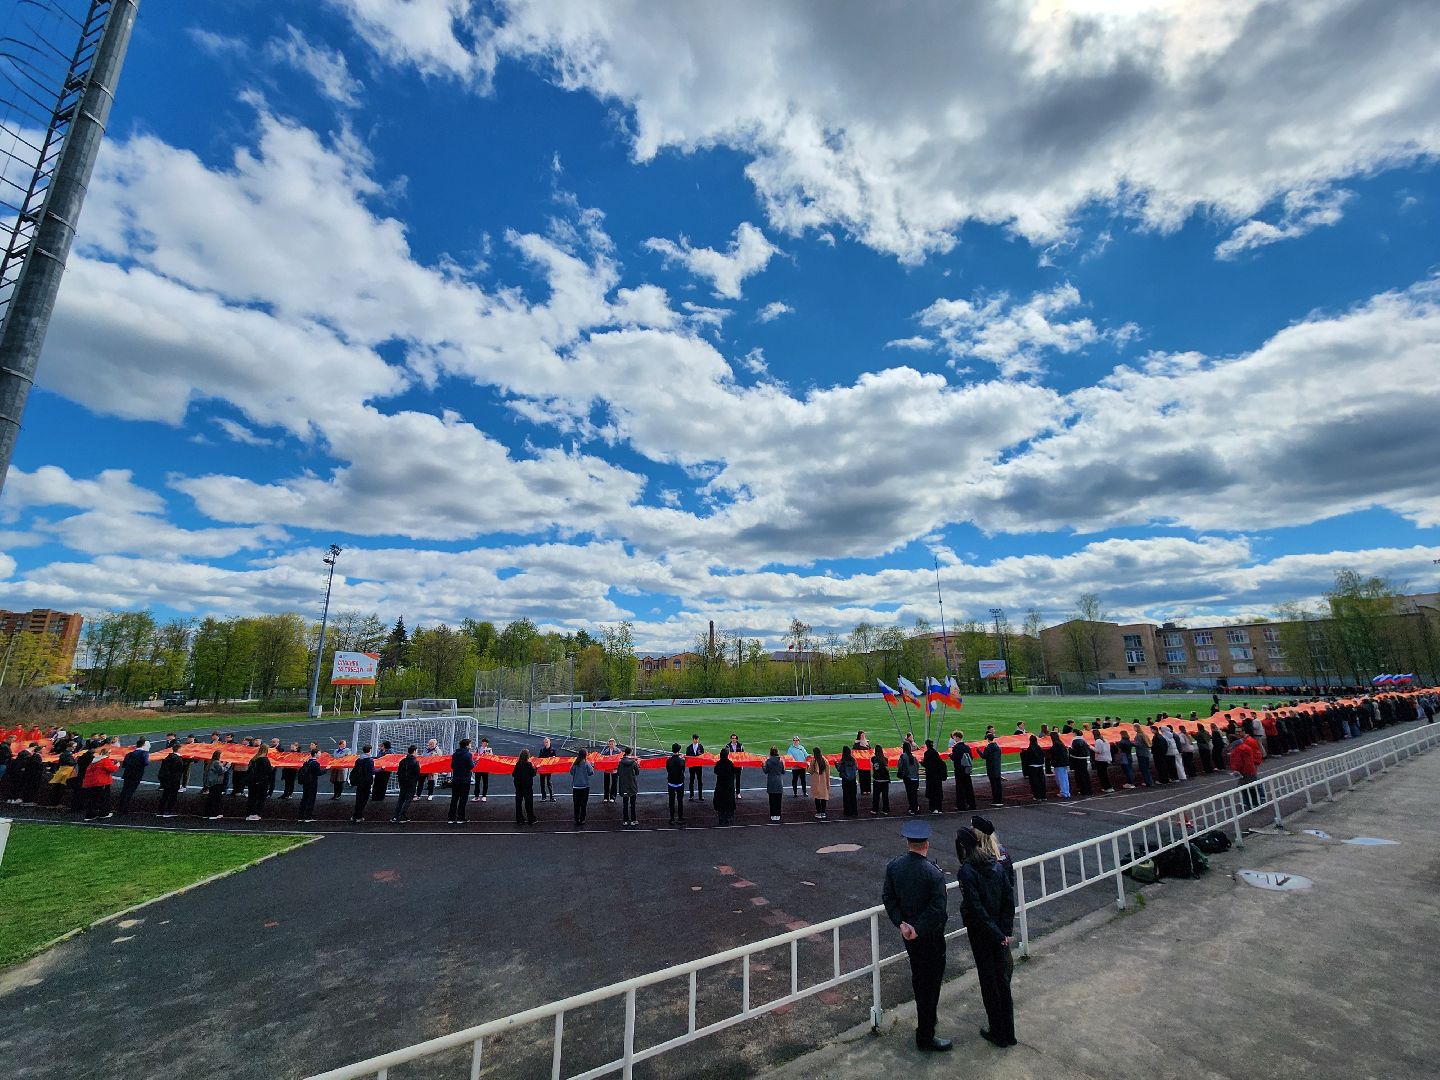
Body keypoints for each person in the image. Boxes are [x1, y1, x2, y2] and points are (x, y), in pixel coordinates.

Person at [881, 819, 951, 1053]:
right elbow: (937, 909)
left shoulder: (894, 867)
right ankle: (926, 1034)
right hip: (928, 936)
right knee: (930, 983)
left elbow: (889, 898)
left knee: (919, 977)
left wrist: (902, 924)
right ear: (926, 844)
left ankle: (927, 1021)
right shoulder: (934, 874)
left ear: (908, 842)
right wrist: (918, 928)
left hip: (907, 933)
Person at [955, 827, 1017, 1048]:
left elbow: (975, 907)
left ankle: (997, 1032)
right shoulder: (997, 865)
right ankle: (1008, 1032)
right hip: (999, 932)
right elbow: (1009, 899)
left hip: (983, 933)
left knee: (989, 982)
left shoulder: (967, 871)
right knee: (1002, 981)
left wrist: (996, 932)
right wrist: (1004, 932)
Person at [1229, 729, 1264, 810]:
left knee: (1244, 789)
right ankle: (1255, 803)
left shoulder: (1237, 750)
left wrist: (1235, 770)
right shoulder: (1245, 746)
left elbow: (1237, 762)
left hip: (1244, 772)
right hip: (1250, 769)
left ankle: (1248, 804)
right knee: (1252, 788)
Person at [82, 746, 119, 820]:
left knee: (93, 799)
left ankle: (90, 815)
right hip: (102, 782)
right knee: (104, 798)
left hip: (93, 782)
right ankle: (104, 813)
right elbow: (111, 769)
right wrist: (117, 765)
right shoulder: (105, 760)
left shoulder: (95, 760)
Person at [117, 739, 150, 814]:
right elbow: (146, 762)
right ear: (143, 745)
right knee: (130, 790)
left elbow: (124, 764)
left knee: (125, 789)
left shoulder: (129, 754)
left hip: (127, 773)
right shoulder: (144, 753)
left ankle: (120, 807)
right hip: (137, 774)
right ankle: (124, 808)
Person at [448, 738, 474, 823]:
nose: (471, 745)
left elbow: (452, 766)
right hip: (465, 780)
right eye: (470, 744)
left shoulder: (455, 754)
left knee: (454, 799)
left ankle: (451, 818)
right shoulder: (468, 754)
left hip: (456, 779)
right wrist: (475, 763)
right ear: (467, 745)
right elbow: (471, 766)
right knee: (463, 799)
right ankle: (460, 817)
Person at [393, 745, 421, 822]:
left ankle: (395, 815)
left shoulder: (402, 761)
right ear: (414, 751)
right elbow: (417, 774)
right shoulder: (415, 762)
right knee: (408, 799)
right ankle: (402, 815)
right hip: (411, 783)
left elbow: (399, 773)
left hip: (403, 782)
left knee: (401, 799)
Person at [349, 745, 375, 822]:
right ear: (369, 750)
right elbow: (372, 771)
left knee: (358, 799)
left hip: (359, 781)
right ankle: (358, 816)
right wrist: (381, 769)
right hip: (366, 782)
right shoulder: (370, 761)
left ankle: (355, 815)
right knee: (364, 799)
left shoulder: (359, 759)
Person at [713, 747, 737, 826]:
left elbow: (715, 771)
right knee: (728, 802)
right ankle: (727, 819)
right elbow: (733, 774)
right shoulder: (730, 763)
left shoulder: (719, 763)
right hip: (728, 786)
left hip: (720, 786)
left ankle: (721, 819)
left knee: (721, 803)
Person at [922, 739, 947, 815]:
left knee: (931, 793)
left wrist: (921, 763)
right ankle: (939, 808)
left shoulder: (927, 753)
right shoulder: (935, 753)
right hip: (937, 776)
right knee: (938, 792)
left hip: (930, 776)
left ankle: (932, 808)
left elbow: (926, 764)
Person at [512, 749, 537, 825]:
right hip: (527, 787)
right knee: (529, 803)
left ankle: (519, 819)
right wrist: (536, 769)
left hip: (519, 786)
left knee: (518, 803)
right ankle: (531, 819)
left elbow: (513, 774)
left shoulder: (518, 764)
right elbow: (533, 774)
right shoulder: (529, 764)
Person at [570, 749, 595, 826]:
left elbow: (571, 772)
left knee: (576, 804)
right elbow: (591, 772)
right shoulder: (587, 763)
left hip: (576, 787)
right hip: (585, 787)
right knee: (583, 804)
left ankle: (576, 818)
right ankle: (582, 819)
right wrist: (593, 766)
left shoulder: (575, 763)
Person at [297, 749, 323, 822]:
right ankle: (308, 816)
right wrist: (326, 769)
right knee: (311, 799)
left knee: (304, 798)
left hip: (306, 782)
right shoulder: (315, 763)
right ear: (315, 754)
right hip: (312, 783)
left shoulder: (307, 762)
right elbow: (319, 773)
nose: (320, 754)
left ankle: (300, 815)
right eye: (319, 753)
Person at [952, 735, 977, 812]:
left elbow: (955, 758)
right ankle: (972, 804)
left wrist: (951, 756)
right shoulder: (967, 747)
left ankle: (961, 805)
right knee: (968, 787)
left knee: (960, 788)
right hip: (966, 769)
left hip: (959, 770)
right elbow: (971, 757)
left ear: (956, 737)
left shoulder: (956, 748)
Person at [617, 746, 640, 826]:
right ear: (630, 753)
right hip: (632, 785)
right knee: (633, 804)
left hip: (624, 785)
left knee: (625, 804)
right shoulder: (633, 762)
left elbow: (619, 774)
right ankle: (633, 820)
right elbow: (637, 773)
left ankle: (625, 820)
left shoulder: (620, 762)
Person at [1067, 731, 1093, 798]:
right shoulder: (1083, 740)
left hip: (1077, 760)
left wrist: (1069, 749)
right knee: (1085, 774)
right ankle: (1088, 789)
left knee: (1080, 775)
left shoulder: (1075, 741)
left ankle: (1083, 790)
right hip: (1084, 759)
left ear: (1075, 734)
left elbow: (1075, 751)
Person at [665, 743, 687, 824]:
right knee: (680, 801)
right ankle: (680, 817)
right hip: (679, 783)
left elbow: (668, 769)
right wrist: (682, 759)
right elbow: (683, 770)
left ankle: (672, 818)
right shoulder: (681, 761)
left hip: (671, 783)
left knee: (671, 801)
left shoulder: (669, 760)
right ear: (679, 750)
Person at [897, 741, 920, 815]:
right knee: (914, 793)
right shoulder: (913, 756)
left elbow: (900, 766)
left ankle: (912, 808)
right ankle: (915, 807)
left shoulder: (903, 756)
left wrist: (902, 774)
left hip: (908, 777)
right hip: (915, 777)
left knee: (910, 794)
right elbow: (917, 766)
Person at [203, 751, 229, 819]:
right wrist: (228, 765)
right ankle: (213, 814)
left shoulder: (211, 762)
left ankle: (207, 813)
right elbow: (222, 770)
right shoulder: (216, 762)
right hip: (216, 782)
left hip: (211, 782)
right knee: (216, 798)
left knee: (211, 798)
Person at [1021, 735, 1047, 800]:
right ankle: (1043, 796)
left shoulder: (1030, 748)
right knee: (1041, 781)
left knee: (1034, 782)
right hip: (1040, 767)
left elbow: (1027, 758)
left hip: (1033, 768)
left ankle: (1037, 796)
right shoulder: (1039, 747)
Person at [763, 746, 785, 822]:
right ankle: (778, 815)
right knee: (778, 801)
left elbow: (765, 771)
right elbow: (783, 772)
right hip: (779, 782)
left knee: (772, 800)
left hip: (771, 782)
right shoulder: (781, 761)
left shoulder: (768, 761)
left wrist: (763, 765)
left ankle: (773, 815)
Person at [981, 734, 1004, 807]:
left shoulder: (988, 747)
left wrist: (978, 751)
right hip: (997, 769)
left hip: (991, 769)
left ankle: (996, 800)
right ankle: (999, 800)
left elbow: (984, 756)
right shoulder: (997, 747)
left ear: (988, 739)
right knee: (998, 785)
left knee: (994, 785)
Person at [838, 745, 860, 817]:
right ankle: (854, 811)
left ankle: (847, 812)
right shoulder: (853, 760)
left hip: (845, 780)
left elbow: (840, 769)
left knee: (846, 796)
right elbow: (856, 768)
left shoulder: (843, 761)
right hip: (853, 780)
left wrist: (836, 764)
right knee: (853, 796)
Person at [809, 747, 830, 820]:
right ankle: (823, 812)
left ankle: (818, 812)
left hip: (816, 782)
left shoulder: (813, 761)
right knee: (823, 797)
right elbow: (828, 773)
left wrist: (808, 767)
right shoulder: (825, 760)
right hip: (824, 781)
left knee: (817, 797)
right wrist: (828, 783)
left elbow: (810, 771)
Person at [1048, 732, 1070, 799]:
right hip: (1063, 763)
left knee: (1061, 778)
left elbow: (1052, 752)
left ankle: (1064, 792)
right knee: (1065, 778)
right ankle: (1066, 792)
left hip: (1059, 764)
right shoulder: (1061, 743)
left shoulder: (1056, 745)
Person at [1090, 725, 1113, 791]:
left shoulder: (1098, 741)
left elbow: (1098, 751)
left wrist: (1091, 747)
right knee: (1105, 774)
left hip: (1100, 760)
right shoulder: (1105, 740)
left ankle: (1106, 787)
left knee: (1102, 775)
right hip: (1106, 759)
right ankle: (1109, 787)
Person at [473, 737, 495, 801]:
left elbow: (492, 756)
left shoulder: (489, 749)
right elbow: (475, 756)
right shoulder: (478, 749)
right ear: (482, 743)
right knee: (477, 782)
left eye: (487, 743)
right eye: (485, 743)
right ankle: (476, 796)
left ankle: (484, 796)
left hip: (485, 768)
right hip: (478, 768)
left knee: (485, 782)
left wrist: (488, 754)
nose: (486, 744)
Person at [600, 738, 622, 803]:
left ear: (614, 744)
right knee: (606, 783)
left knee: (614, 783)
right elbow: (602, 758)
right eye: (610, 744)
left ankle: (613, 797)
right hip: (607, 769)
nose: (611, 745)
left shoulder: (618, 751)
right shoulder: (606, 751)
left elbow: (620, 759)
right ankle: (606, 797)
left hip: (614, 770)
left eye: (612, 744)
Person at [871, 747, 891, 815]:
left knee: (876, 796)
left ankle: (875, 810)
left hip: (877, 780)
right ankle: (886, 810)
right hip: (885, 780)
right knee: (885, 796)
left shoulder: (874, 758)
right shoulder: (885, 759)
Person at [536, 737, 557, 801]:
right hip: (542, 769)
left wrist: (553, 758)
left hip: (548, 769)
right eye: (545, 742)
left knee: (549, 782)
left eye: (547, 742)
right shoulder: (542, 750)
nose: (546, 743)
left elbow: (556, 759)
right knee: (542, 783)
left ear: (550, 742)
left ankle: (552, 797)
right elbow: (539, 759)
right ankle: (543, 797)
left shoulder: (553, 750)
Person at [685, 734, 706, 800]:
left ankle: (700, 795)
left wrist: (700, 754)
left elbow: (703, 756)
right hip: (692, 766)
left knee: (700, 780)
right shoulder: (689, 747)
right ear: (693, 739)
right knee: (691, 780)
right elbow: (687, 757)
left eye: (697, 739)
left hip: (699, 766)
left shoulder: (700, 747)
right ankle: (691, 795)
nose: (696, 740)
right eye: (695, 739)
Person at [853, 731, 873, 798]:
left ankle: (868, 790)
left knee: (868, 776)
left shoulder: (867, 742)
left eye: (863, 735)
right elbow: (854, 751)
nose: (863, 736)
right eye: (861, 735)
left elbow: (870, 750)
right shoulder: (857, 743)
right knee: (862, 776)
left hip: (867, 761)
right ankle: (863, 790)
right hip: (861, 762)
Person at [724, 733, 744, 799]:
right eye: (732, 738)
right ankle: (730, 792)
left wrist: (742, 765)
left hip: (738, 765)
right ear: (731, 739)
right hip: (731, 766)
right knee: (731, 780)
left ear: (737, 739)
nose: (734, 739)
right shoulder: (727, 746)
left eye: (735, 738)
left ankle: (738, 793)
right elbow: (726, 756)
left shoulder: (740, 746)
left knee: (738, 780)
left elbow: (743, 755)